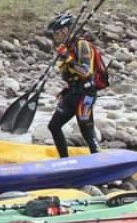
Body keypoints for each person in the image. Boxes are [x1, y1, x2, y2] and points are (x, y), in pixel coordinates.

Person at [46, 13, 100, 159]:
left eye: (57, 33)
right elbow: (71, 75)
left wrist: (67, 58)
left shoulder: (82, 45)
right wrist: (66, 89)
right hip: (73, 92)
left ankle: (99, 160)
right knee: (54, 126)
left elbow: (85, 71)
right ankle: (64, 161)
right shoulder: (67, 46)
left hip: (86, 94)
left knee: (86, 129)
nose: (56, 37)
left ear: (65, 30)